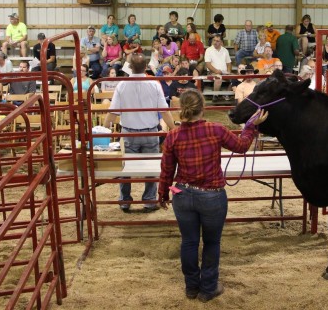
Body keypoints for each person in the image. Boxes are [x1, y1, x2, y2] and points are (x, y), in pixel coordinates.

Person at [158, 88, 267, 302]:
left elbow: (167, 170)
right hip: (212, 196)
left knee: (189, 242)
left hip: (183, 194)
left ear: (182, 109)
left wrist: (162, 193)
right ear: (203, 107)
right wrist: (251, 126)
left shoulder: (173, 135)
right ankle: (208, 288)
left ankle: (191, 287)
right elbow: (242, 146)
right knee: (211, 242)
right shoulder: (215, 130)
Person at [104, 53, 175, 212]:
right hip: (150, 133)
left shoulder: (122, 85)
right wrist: (175, 130)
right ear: (145, 67)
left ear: (129, 67)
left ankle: (125, 200)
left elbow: (112, 113)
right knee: (151, 168)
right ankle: (149, 200)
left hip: (128, 134)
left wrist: (104, 131)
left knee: (125, 169)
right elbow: (165, 111)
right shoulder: (154, 84)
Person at [204, 36, 232, 100]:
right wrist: (216, 71)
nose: (215, 42)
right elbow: (208, 64)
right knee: (218, 78)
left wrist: (228, 71)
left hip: (224, 72)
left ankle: (227, 94)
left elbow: (229, 63)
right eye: (214, 40)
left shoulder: (225, 50)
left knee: (236, 79)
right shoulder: (208, 50)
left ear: (221, 42)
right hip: (212, 72)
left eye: (217, 41)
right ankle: (215, 95)